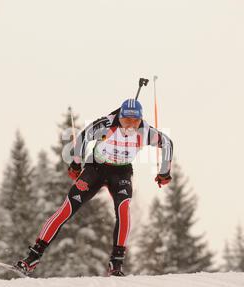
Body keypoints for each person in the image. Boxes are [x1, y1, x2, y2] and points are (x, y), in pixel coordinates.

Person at [15, 98, 174, 276]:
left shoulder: (146, 132)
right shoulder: (106, 124)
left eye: (134, 122)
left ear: (140, 120)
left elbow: (167, 143)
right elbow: (83, 136)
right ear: (119, 117)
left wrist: (164, 172)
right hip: (95, 169)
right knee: (67, 209)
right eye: (125, 121)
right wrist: (76, 164)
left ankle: (116, 263)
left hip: (121, 173)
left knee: (123, 210)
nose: (129, 126)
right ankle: (33, 257)